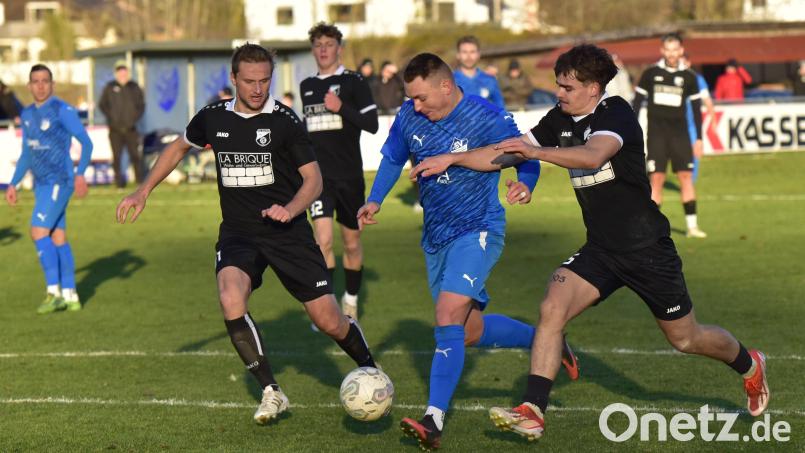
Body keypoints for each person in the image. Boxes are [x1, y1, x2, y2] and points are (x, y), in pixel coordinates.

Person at [411, 44, 769, 442]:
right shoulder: (558, 119)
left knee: (686, 338)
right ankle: (533, 409)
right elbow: (505, 152)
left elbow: (592, 156)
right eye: (558, 86)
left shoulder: (616, 114)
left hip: (646, 248)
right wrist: (453, 159)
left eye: (567, 87)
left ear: (594, 87)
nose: (559, 93)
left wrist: (537, 152)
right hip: (601, 249)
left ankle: (749, 364)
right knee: (552, 307)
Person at [115, 43, 378, 425]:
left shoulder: (285, 121)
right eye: (250, 81)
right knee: (230, 297)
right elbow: (177, 148)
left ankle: (371, 370)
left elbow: (314, 179)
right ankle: (272, 391)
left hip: (287, 233)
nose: (258, 89)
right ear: (234, 79)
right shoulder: (213, 117)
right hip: (239, 233)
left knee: (329, 321)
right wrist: (143, 190)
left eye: (265, 80)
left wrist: (289, 210)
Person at [358, 53, 579, 451]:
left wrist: (525, 184)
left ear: (446, 85)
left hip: (478, 230)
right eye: (413, 98)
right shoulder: (411, 115)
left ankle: (433, 420)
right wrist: (375, 199)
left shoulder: (486, 116)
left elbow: (522, 155)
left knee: (446, 315)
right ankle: (544, 340)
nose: (416, 105)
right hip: (436, 237)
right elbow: (392, 158)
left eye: (422, 97)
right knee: (469, 331)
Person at [301, 23, 379, 320]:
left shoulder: (354, 82)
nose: (323, 49)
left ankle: (351, 298)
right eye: (318, 44)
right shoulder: (307, 85)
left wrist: (341, 107)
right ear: (313, 49)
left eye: (329, 43)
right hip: (319, 179)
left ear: (339, 48)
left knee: (351, 242)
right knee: (322, 241)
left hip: (349, 176)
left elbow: (371, 125)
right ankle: (328, 308)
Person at [5, 64, 93, 313]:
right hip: (41, 185)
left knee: (37, 232)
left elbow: (86, 143)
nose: (41, 85)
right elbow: (26, 153)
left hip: (59, 181)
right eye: (36, 81)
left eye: (45, 81)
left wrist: (80, 174)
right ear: (29, 85)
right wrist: (14, 182)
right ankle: (71, 294)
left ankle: (53, 293)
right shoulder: (27, 114)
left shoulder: (62, 110)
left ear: (52, 84)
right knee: (57, 237)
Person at [632, 33, 707, 238]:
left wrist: (699, 138)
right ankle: (651, 229)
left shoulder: (689, 77)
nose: (672, 53)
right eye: (668, 49)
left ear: (681, 51)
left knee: (685, 178)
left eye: (675, 49)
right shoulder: (650, 74)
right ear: (662, 51)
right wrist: (632, 129)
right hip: (656, 135)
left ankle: (692, 227)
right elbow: (637, 103)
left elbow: (696, 109)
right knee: (656, 179)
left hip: (680, 136)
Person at [99, 63, 146, 188]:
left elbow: (141, 106)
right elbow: (102, 105)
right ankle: (119, 183)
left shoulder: (134, 87)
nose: (123, 76)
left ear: (128, 74)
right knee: (117, 157)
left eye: (125, 73)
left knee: (135, 156)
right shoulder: (110, 87)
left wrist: (133, 119)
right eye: (120, 73)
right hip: (115, 130)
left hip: (131, 129)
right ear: (116, 74)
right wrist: (112, 119)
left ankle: (139, 181)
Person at [680, 54, 715, 183]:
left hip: (692, 124)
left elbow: (707, 100)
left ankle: (690, 183)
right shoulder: (672, 79)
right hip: (676, 124)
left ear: (689, 63)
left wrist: (713, 119)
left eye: (683, 62)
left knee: (696, 152)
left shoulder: (697, 79)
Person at [453, 35, 505, 109]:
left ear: (478, 55)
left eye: (472, 52)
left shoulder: (490, 80)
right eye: (464, 52)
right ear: (458, 55)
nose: (469, 56)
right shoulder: (449, 81)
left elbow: (501, 110)